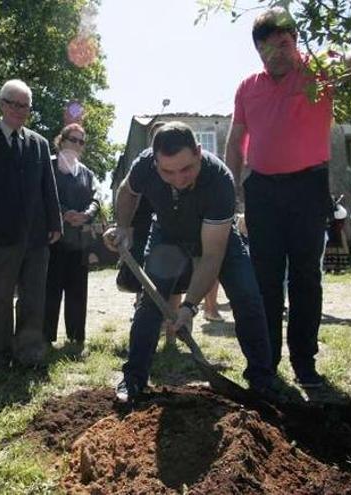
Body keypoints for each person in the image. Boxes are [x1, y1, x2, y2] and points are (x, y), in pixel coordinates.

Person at [224, 7, 351, 387]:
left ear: (296, 42)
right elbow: (236, 143)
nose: (277, 54)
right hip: (262, 192)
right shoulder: (247, 87)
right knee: (264, 278)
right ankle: (264, 364)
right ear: (258, 52)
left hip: (307, 187)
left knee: (306, 276)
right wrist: (232, 190)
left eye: (284, 44)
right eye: (268, 49)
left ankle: (305, 362)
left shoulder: (319, 73)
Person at [105, 122, 274, 403]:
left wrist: (189, 306)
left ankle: (262, 380)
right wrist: (123, 226)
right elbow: (127, 191)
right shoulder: (144, 165)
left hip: (217, 238)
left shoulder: (219, 180)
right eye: (167, 172)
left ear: (198, 152)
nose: (178, 179)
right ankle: (134, 378)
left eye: (186, 169)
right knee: (150, 302)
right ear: (155, 160)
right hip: (168, 236)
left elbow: (211, 256)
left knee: (247, 296)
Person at [0, 79, 62, 372]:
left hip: (36, 236)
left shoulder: (39, 143)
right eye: (14, 104)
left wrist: (55, 222)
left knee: (34, 296)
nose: (20, 111)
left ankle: (29, 353)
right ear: (2, 104)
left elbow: (49, 187)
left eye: (26, 106)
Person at [43, 123, 101, 348]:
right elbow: (43, 194)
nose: (77, 144)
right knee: (51, 289)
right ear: (62, 140)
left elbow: (96, 198)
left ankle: (76, 337)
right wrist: (63, 212)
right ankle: (45, 337)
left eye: (81, 141)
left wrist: (86, 214)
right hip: (52, 239)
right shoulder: (48, 165)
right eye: (73, 139)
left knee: (78, 290)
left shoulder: (86, 172)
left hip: (78, 241)